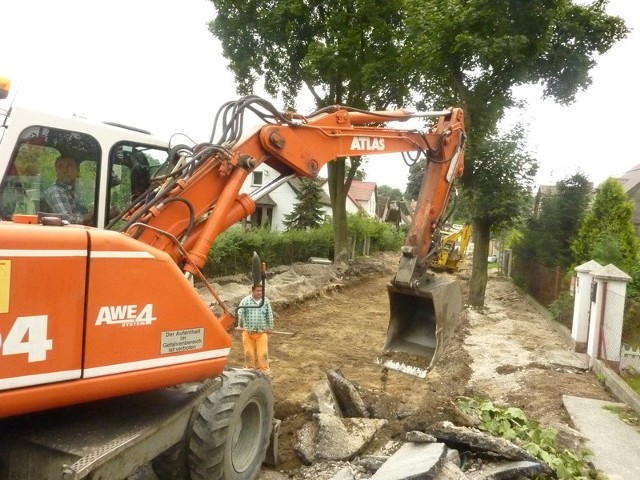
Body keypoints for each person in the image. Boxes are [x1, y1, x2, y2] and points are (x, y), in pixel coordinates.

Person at [236, 283, 274, 376]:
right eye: (257, 291)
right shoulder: (245, 301)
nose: (259, 292)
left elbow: (269, 315)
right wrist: (239, 325)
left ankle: (264, 370)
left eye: (261, 291)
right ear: (252, 291)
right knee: (249, 353)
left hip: (261, 332)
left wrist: (270, 327)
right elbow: (239, 313)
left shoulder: (265, 301)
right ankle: (250, 369)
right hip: (248, 332)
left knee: (262, 353)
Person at [44, 155, 93, 225]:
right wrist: (90, 216)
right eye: (60, 167)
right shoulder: (56, 191)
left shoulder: (73, 192)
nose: (64, 170)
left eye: (69, 166)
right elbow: (66, 219)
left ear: (77, 171)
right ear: (56, 172)